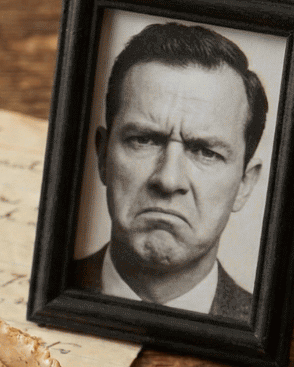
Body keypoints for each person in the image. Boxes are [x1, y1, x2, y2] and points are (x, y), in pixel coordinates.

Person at [74, 22, 267, 322]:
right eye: (144, 140)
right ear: (102, 157)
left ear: (245, 183)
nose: (168, 180)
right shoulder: (46, 287)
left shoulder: (262, 322)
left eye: (206, 151)